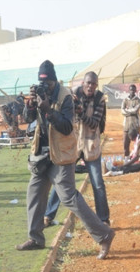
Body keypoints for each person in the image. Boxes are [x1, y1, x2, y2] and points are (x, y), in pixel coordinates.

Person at [15, 60, 115, 260]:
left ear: (54, 81)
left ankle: (104, 235)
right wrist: (30, 105)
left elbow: (67, 127)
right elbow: (28, 119)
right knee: (34, 193)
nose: (46, 87)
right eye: (43, 83)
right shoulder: (40, 94)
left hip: (62, 154)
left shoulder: (66, 97)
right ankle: (35, 238)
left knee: (68, 197)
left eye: (49, 84)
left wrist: (48, 110)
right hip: (42, 154)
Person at [44, 71, 110, 226]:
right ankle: (48, 215)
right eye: (88, 83)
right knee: (61, 181)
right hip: (73, 143)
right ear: (83, 83)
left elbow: (94, 123)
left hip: (90, 144)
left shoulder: (100, 98)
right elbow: (64, 117)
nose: (91, 86)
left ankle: (104, 219)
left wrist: (80, 113)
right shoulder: (71, 95)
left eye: (94, 83)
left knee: (98, 183)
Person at [121, 84, 140, 159]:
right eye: (130, 90)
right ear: (129, 90)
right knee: (125, 144)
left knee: (138, 144)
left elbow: (136, 110)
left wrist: (127, 111)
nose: (132, 91)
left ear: (135, 91)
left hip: (135, 125)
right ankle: (126, 159)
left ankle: (138, 159)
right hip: (126, 126)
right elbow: (122, 111)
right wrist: (130, 111)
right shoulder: (125, 100)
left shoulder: (137, 100)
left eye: (133, 90)